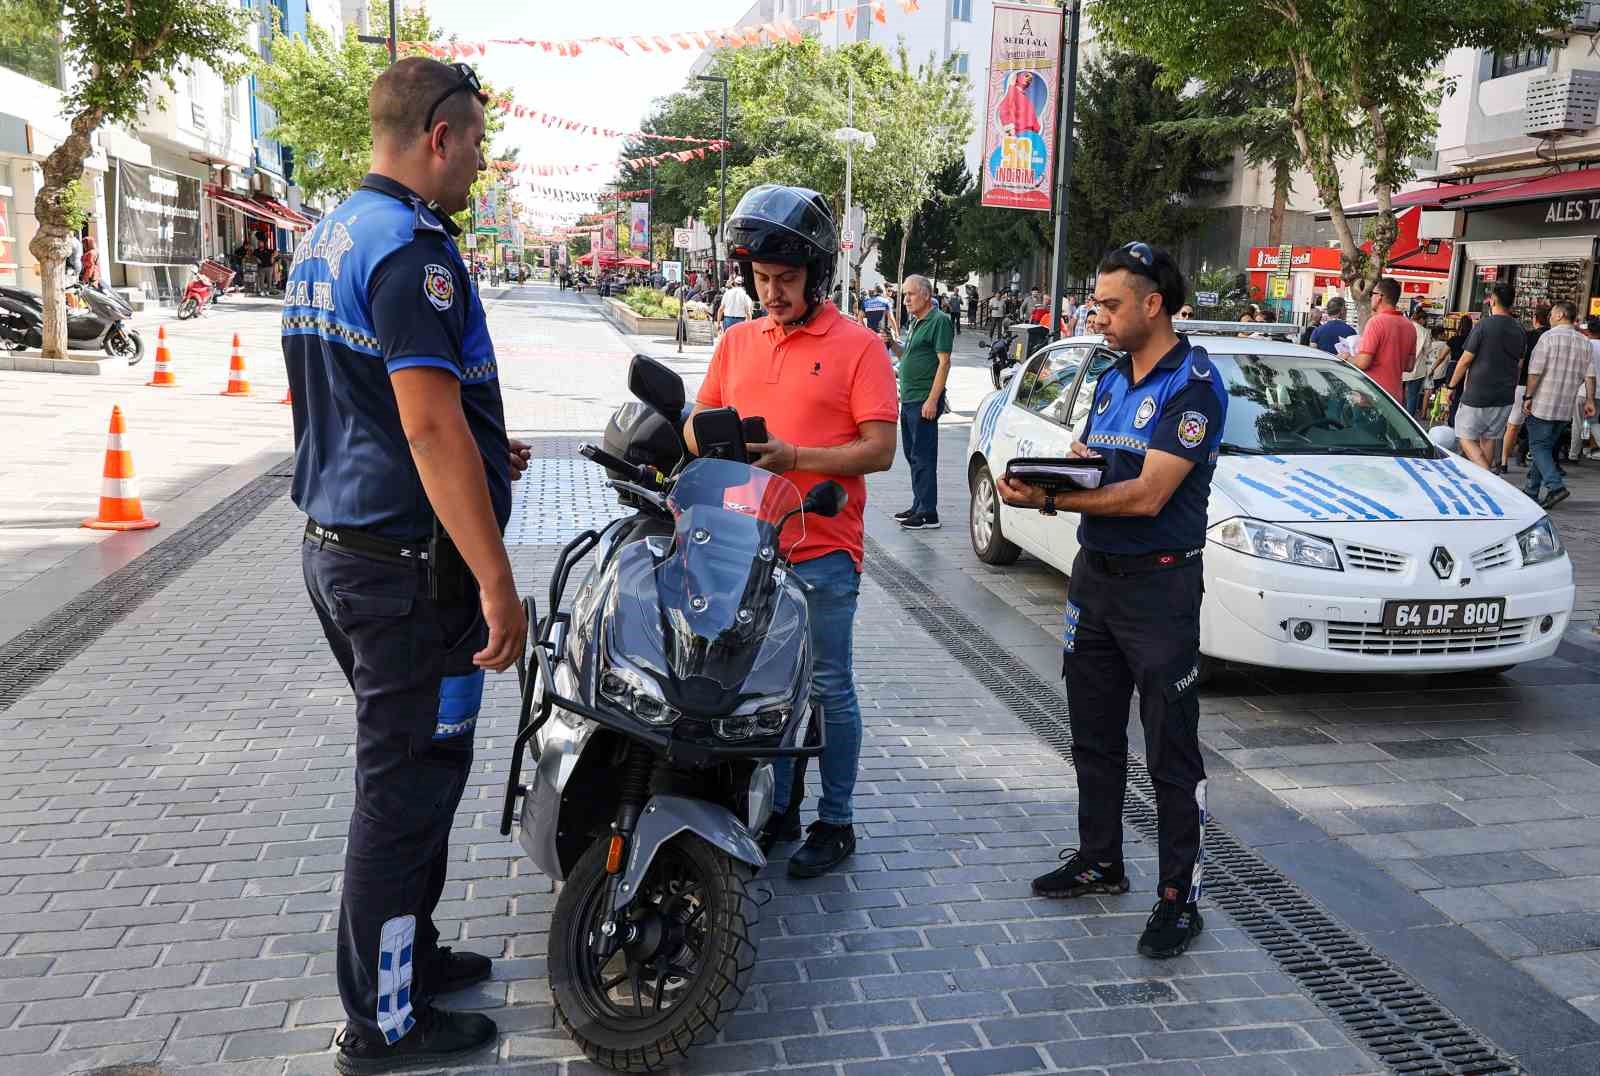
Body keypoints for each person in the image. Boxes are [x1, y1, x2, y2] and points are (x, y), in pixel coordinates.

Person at [283, 58, 531, 1072]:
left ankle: (412, 959)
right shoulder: (411, 253)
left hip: (345, 550)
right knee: (405, 786)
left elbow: (369, 408)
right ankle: (382, 1021)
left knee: (418, 774)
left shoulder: (330, 234)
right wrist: (496, 578)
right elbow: (426, 426)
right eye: (475, 142)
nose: (480, 161)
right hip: (407, 574)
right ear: (438, 135)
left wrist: (479, 451)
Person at [998, 241, 1226, 960]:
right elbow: (1089, 460)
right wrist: (1043, 482)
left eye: (1109, 305)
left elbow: (1152, 492)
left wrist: (1059, 494)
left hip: (1160, 588)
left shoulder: (1194, 384)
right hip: (1094, 578)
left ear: (1153, 304)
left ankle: (1177, 898)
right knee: (1092, 734)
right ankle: (1100, 859)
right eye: (1095, 303)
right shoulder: (1107, 377)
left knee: (1169, 751)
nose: (1095, 316)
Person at [686, 183, 898, 878]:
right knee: (758, 690)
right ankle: (778, 808)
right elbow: (699, 421)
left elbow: (879, 450)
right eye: (760, 278)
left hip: (822, 550)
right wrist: (696, 439)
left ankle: (835, 822)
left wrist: (795, 458)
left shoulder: (859, 346)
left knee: (828, 686)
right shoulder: (736, 341)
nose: (771, 293)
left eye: (786, 279)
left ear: (816, 276)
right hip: (743, 555)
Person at [887, 274, 954, 530]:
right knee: (912, 455)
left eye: (910, 294)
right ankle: (918, 504)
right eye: (904, 294)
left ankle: (928, 512)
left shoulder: (939, 321)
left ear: (926, 295)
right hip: (910, 398)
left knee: (923, 456)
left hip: (924, 400)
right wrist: (892, 343)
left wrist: (933, 400)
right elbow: (908, 356)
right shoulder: (917, 322)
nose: (905, 300)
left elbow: (944, 362)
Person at [1522, 301, 1596, 509]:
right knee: (1544, 448)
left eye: (1552, 314)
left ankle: (1556, 487)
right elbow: (1590, 376)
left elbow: (1535, 372)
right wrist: (1590, 400)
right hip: (1565, 408)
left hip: (1543, 403)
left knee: (1537, 447)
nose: (1550, 317)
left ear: (1562, 314)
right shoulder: (1584, 342)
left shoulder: (1548, 338)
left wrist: (1528, 396)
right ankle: (1531, 490)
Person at [1447, 282, 1524, 472]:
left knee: (1465, 437)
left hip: (1478, 393)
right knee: (1488, 438)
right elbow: (1519, 364)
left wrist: (1451, 386)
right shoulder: (1519, 329)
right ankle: (1485, 482)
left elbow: (1465, 360)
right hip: (1505, 395)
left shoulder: (1483, 326)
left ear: (1493, 301)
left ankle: (1487, 474)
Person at [1346, 278, 1412, 401]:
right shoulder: (1409, 325)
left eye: (1372, 294)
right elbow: (1409, 366)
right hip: (1395, 398)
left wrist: (1346, 357)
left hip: (1372, 396)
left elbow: (1362, 363)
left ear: (1380, 297)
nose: (1371, 297)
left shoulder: (1376, 322)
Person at [1503, 303, 1549, 470]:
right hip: (1545, 388)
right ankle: (1525, 454)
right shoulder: (1551, 337)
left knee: (1513, 425)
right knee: (1537, 426)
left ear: (1535, 319)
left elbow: (1519, 363)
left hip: (1522, 385)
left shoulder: (1528, 336)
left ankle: (1504, 461)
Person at [1402, 302, 1433, 416]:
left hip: (1400, 367)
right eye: (1425, 320)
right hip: (1417, 369)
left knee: (1397, 394)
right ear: (1421, 319)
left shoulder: (1404, 327)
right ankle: (1409, 419)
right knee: (1412, 396)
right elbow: (1427, 350)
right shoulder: (1424, 332)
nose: (1425, 323)